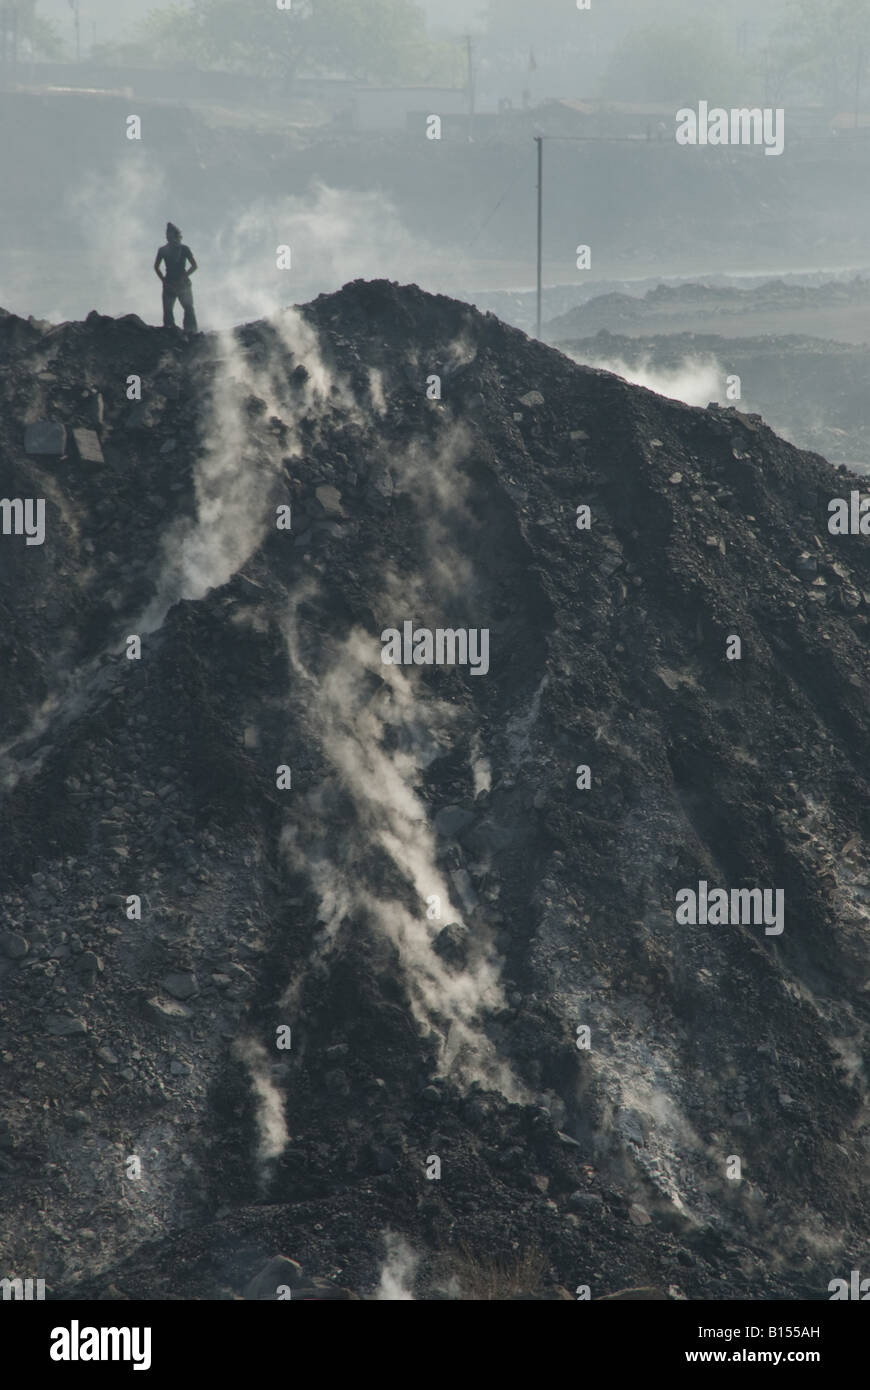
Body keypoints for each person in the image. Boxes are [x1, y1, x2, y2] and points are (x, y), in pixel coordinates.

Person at [154, 223, 198, 332]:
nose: (169, 237)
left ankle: (191, 333)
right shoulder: (163, 250)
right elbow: (156, 267)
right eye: (167, 235)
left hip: (181, 284)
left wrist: (184, 276)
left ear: (176, 235)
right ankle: (171, 333)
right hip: (170, 284)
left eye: (170, 234)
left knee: (188, 309)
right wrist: (164, 281)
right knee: (169, 311)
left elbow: (194, 266)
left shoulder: (184, 249)